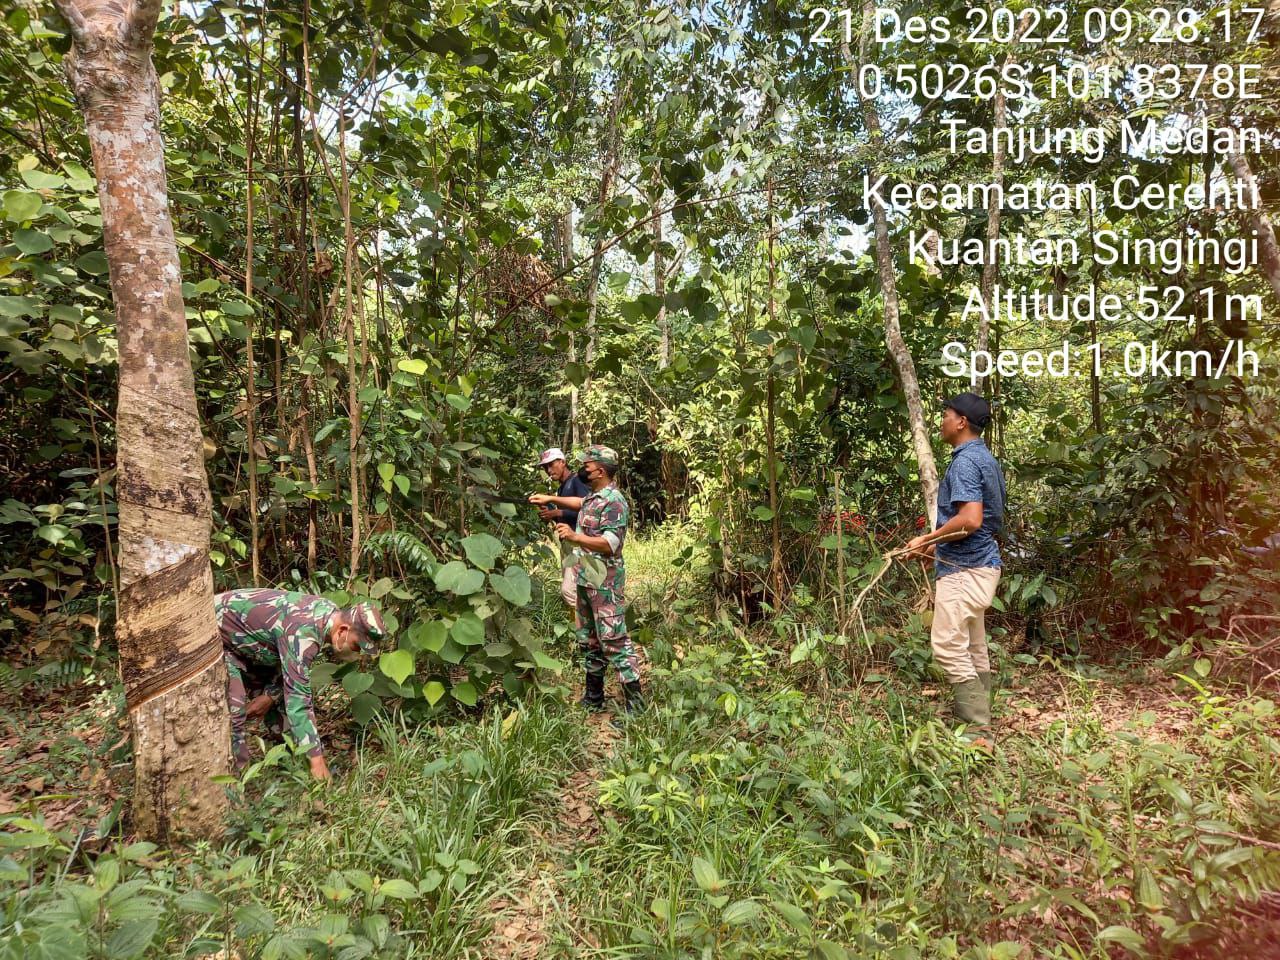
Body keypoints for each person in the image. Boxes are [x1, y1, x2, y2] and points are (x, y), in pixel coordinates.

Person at [905, 392, 1006, 744]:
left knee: (947, 645)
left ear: (961, 421)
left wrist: (926, 538)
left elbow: (971, 519)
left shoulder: (965, 462)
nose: (942, 420)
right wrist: (933, 546)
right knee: (972, 643)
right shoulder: (983, 457)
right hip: (980, 564)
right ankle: (982, 713)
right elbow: (975, 521)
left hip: (966, 568)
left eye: (946, 414)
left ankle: (977, 731)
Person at [216, 588, 385, 779]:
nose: (358, 652)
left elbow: (290, 665)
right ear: (343, 631)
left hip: (257, 646)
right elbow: (299, 701)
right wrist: (317, 761)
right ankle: (236, 782)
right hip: (219, 634)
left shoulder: (329, 614)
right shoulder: (304, 633)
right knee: (235, 712)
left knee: (275, 703)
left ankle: (292, 764)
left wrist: (270, 694)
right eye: (357, 645)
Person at [530, 445, 644, 722]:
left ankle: (636, 705)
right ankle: (594, 698)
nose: (584, 467)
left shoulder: (614, 501)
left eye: (588, 464)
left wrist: (574, 536)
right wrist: (547, 499)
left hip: (604, 582)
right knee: (589, 640)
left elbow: (610, 544)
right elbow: (579, 504)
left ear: (601, 471)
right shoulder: (593, 497)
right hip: (585, 578)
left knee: (614, 640)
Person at [533, 447, 592, 611]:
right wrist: (550, 514)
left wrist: (558, 511)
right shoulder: (561, 488)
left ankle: (588, 626)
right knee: (576, 588)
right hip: (567, 544)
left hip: (579, 543)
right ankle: (575, 629)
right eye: (545, 467)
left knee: (568, 591)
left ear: (563, 462)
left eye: (552, 465)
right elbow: (566, 515)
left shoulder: (577, 481)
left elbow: (588, 509)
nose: (549, 470)